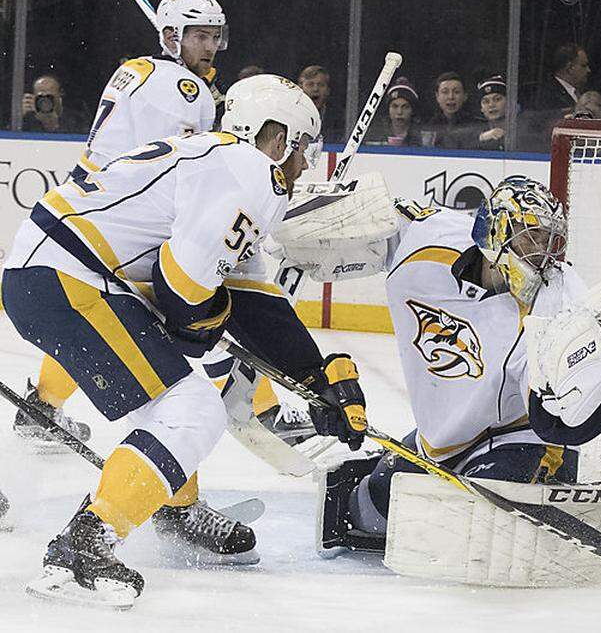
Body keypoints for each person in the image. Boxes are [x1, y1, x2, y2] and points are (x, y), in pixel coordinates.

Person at [3, 75, 368, 609]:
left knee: (170, 401)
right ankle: (87, 543)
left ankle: (159, 504)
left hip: (51, 273)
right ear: (280, 139)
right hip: (67, 277)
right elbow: (186, 295)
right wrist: (205, 321)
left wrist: (317, 382)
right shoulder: (251, 172)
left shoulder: (218, 163)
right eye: (305, 148)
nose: (307, 164)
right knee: (193, 406)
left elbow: (253, 300)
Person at [277, 177, 601, 552]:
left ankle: (545, 491)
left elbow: (566, 421)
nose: (542, 255)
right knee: (365, 512)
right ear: (495, 233)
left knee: (470, 528)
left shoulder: (557, 301)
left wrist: (567, 397)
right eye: (531, 238)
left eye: (548, 241)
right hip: (445, 435)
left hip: (518, 437)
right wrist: (284, 220)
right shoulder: (428, 240)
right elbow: (368, 220)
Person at [17, 0, 229, 455]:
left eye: (214, 36)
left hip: (85, 209)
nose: (209, 46)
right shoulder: (183, 89)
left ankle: (41, 407)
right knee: (180, 324)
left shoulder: (139, 69)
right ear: (172, 36)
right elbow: (182, 168)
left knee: (92, 322)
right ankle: (184, 460)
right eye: (199, 36)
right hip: (119, 223)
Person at [443, 74, 507, 150]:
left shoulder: (521, 126)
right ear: (481, 108)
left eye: (497, 99)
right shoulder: (475, 127)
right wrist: (483, 137)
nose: (491, 105)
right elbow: (451, 139)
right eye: (485, 101)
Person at [20, 74, 88, 134]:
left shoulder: (77, 120)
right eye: (40, 97)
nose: (45, 102)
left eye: (49, 97)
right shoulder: (28, 119)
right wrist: (20, 116)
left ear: (60, 94)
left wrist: (54, 124)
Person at [366, 77, 423, 147]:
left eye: (405, 107)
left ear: (413, 110)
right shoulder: (375, 133)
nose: (399, 112)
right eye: (395, 106)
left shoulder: (422, 136)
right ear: (388, 109)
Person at [427, 72, 470, 147]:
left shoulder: (475, 124)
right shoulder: (429, 126)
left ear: (465, 96)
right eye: (445, 92)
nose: (450, 97)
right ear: (437, 96)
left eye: (456, 92)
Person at [298, 64, 340, 137]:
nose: (315, 89)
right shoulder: (291, 113)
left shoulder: (337, 117)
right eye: (310, 84)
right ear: (300, 88)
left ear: (328, 90)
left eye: (321, 85)